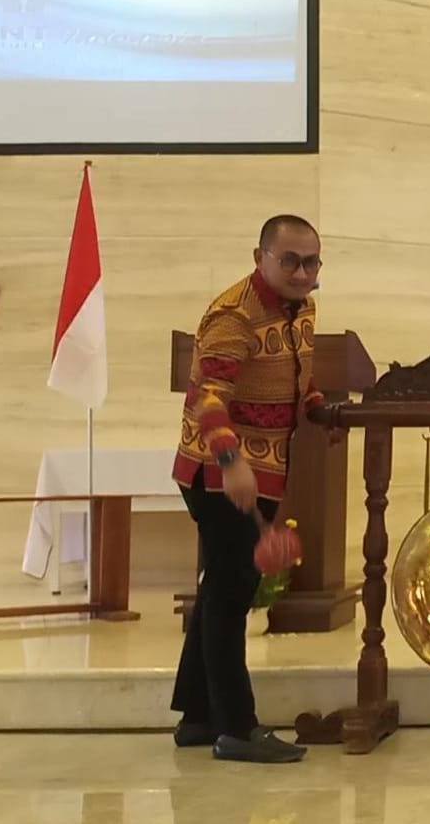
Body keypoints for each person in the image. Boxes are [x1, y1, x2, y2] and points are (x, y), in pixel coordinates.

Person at [169, 214, 326, 763]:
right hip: (219, 470)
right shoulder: (233, 315)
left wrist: (316, 406)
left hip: (262, 467)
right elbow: (207, 396)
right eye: (290, 261)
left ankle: (197, 717)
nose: (302, 273)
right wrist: (231, 460)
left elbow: (298, 373)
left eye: (311, 262)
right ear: (260, 257)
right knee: (231, 592)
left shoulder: (302, 307)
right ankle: (236, 728)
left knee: (222, 585)